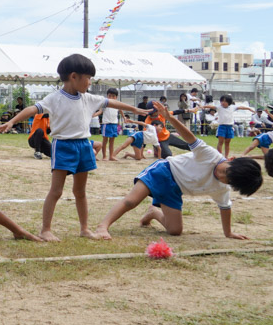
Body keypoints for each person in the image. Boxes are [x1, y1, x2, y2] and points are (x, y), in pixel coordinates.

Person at [0, 54, 147, 241]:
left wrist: (135, 110)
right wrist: (11, 122)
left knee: (80, 192)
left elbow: (111, 103)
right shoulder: (54, 98)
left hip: (84, 145)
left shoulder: (88, 98)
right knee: (56, 191)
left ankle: (84, 229)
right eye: (88, 78)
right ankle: (46, 229)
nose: (90, 83)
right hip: (63, 146)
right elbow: (32, 109)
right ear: (74, 76)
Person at [94, 101, 262, 240]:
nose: (221, 176)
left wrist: (228, 233)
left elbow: (225, 207)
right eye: (225, 171)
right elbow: (189, 137)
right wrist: (170, 118)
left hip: (175, 190)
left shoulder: (222, 188)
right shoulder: (211, 155)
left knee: (175, 230)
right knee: (131, 201)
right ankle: (103, 226)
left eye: (227, 180)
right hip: (163, 171)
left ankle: (153, 211)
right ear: (230, 160)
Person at [99, 88, 120, 161]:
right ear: (107, 96)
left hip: (114, 124)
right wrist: (93, 115)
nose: (111, 97)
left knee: (112, 141)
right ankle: (104, 156)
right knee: (105, 141)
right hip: (106, 124)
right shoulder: (105, 104)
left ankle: (111, 156)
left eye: (113, 96)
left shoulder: (117, 104)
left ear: (116, 97)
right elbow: (100, 112)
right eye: (109, 95)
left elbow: (121, 110)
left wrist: (124, 118)